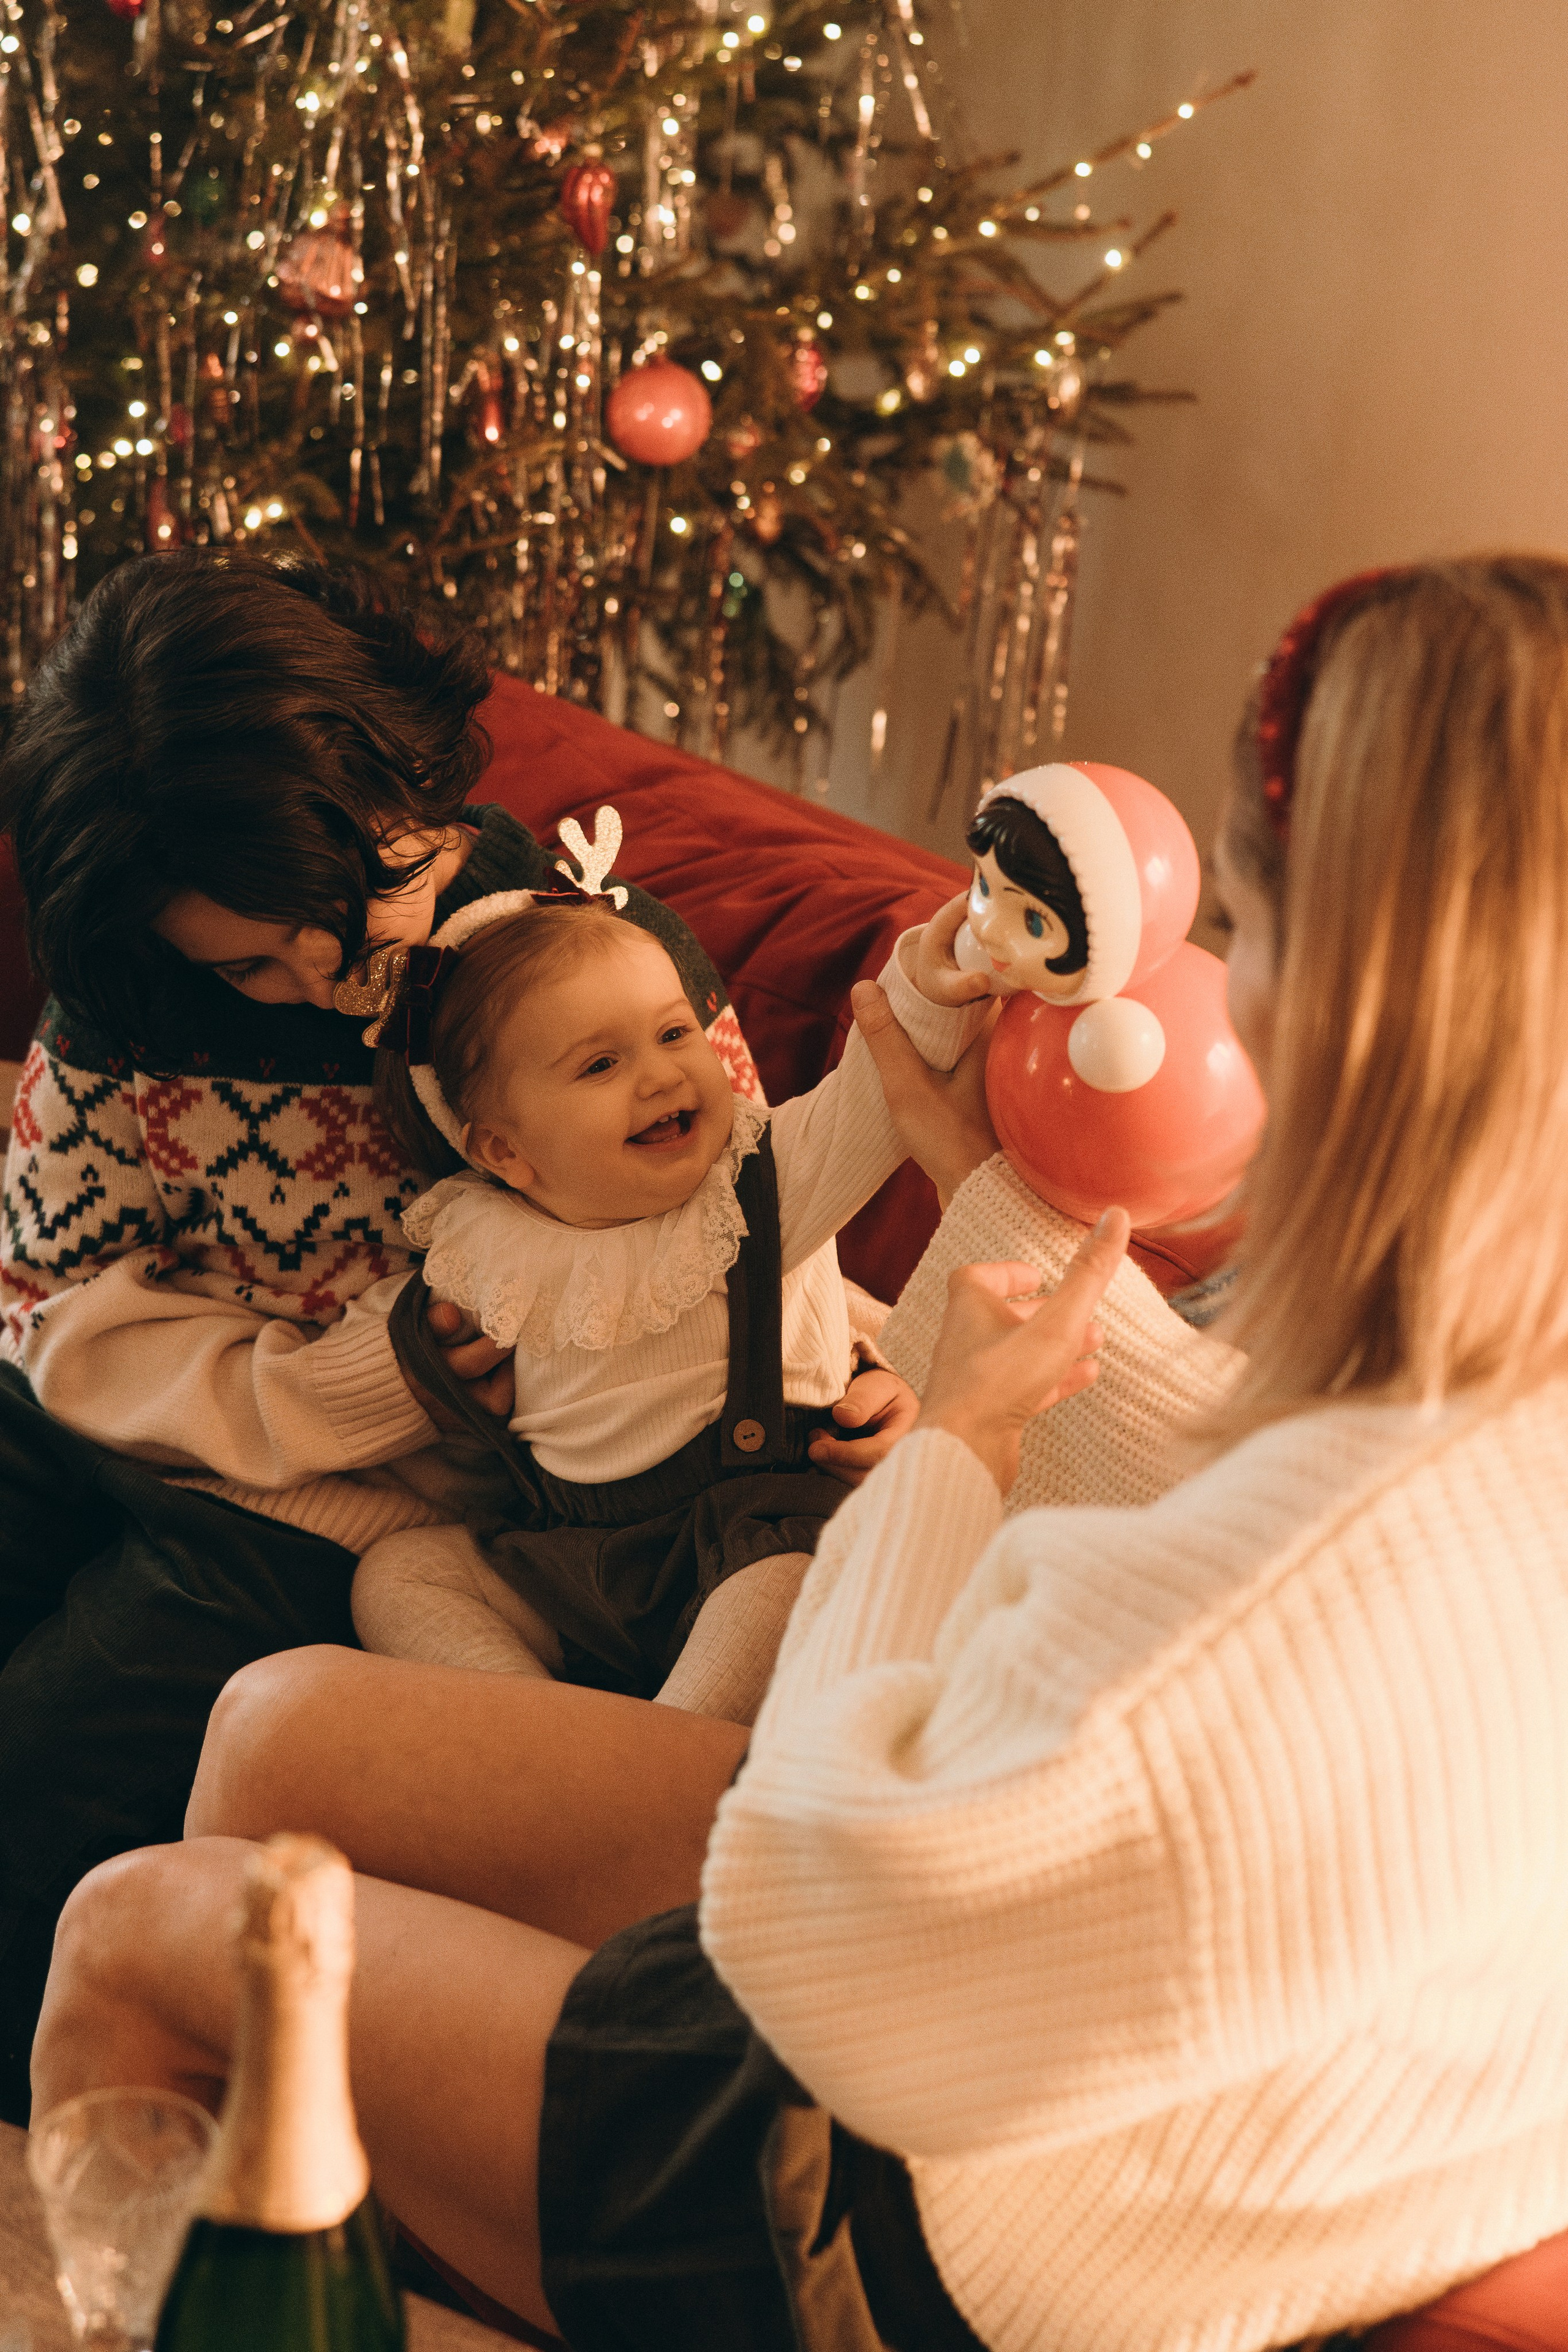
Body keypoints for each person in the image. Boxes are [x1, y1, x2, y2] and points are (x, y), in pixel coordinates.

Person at [33, 554, 1568, 2352]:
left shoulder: (1236, 1635)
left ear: (1346, 1004)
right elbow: (1244, 1461)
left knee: (145, 1936)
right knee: (283, 1721)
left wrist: (954, 1453)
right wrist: (958, 1165)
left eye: (1243, 925)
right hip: (1042, 2006)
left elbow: (803, 1915)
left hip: (920, 2210)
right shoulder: (1478, 1389)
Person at [0, 549, 911, 2127]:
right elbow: (44, 1307)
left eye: (354, 916)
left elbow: (737, 1234)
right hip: (135, 1415)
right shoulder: (133, 992)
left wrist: (852, 1385)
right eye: (250, 962)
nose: (330, 982)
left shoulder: (594, 955)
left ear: (409, 786)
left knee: (46, 1780)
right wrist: (343, 1371)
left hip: (330, 1511)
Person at [346, 845, 984, 1720]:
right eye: (599, 1065)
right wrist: (429, 1359)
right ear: (504, 1152)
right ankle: (546, 1739)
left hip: (758, 1530)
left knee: (789, 1588)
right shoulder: (482, 1247)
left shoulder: (764, 1179)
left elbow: (877, 1092)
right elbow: (420, 1383)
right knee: (401, 1574)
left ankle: (664, 1754)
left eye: (675, 1032)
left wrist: (943, 968)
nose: (661, 1075)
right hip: (569, 1557)